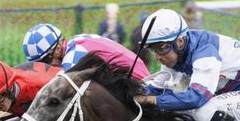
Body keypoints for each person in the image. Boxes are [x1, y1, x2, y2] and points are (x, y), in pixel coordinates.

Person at [21, 23, 150, 80]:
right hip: (133, 76)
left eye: (46, 61)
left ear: (58, 49)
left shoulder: (73, 57)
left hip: (139, 83)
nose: (47, 66)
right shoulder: (78, 40)